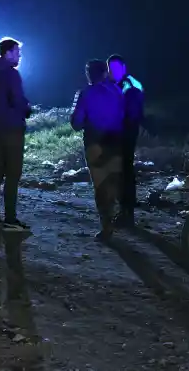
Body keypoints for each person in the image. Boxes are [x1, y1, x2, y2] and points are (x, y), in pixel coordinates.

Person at [0, 37, 33, 233]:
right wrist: (27, 108)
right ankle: (10, 219)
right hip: (12, 128)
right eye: (17, 52)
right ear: (8, 52)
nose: (20, 55)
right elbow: (18, 100)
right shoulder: (11, 74)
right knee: (12, 173)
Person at [70, 58, 125, 241]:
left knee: (100, 185)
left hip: (95, 142)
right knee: (113, 181)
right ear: (104, 73)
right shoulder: (117, 91)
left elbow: (76, 123)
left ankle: (107, 227)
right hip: (116, 141)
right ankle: (121, 216)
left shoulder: (85, 93)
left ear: (88, 75)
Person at [106, 54, 145, 227]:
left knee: (125, 172)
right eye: (110, 69)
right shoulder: (118, 84)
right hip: (120, 133)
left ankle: (127, 212)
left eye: (115, 68)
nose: (112, 72)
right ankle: (124, 210)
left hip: (126, 134)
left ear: (123, 67)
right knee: (121, 171)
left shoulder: (131, 86)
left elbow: (132, 114)